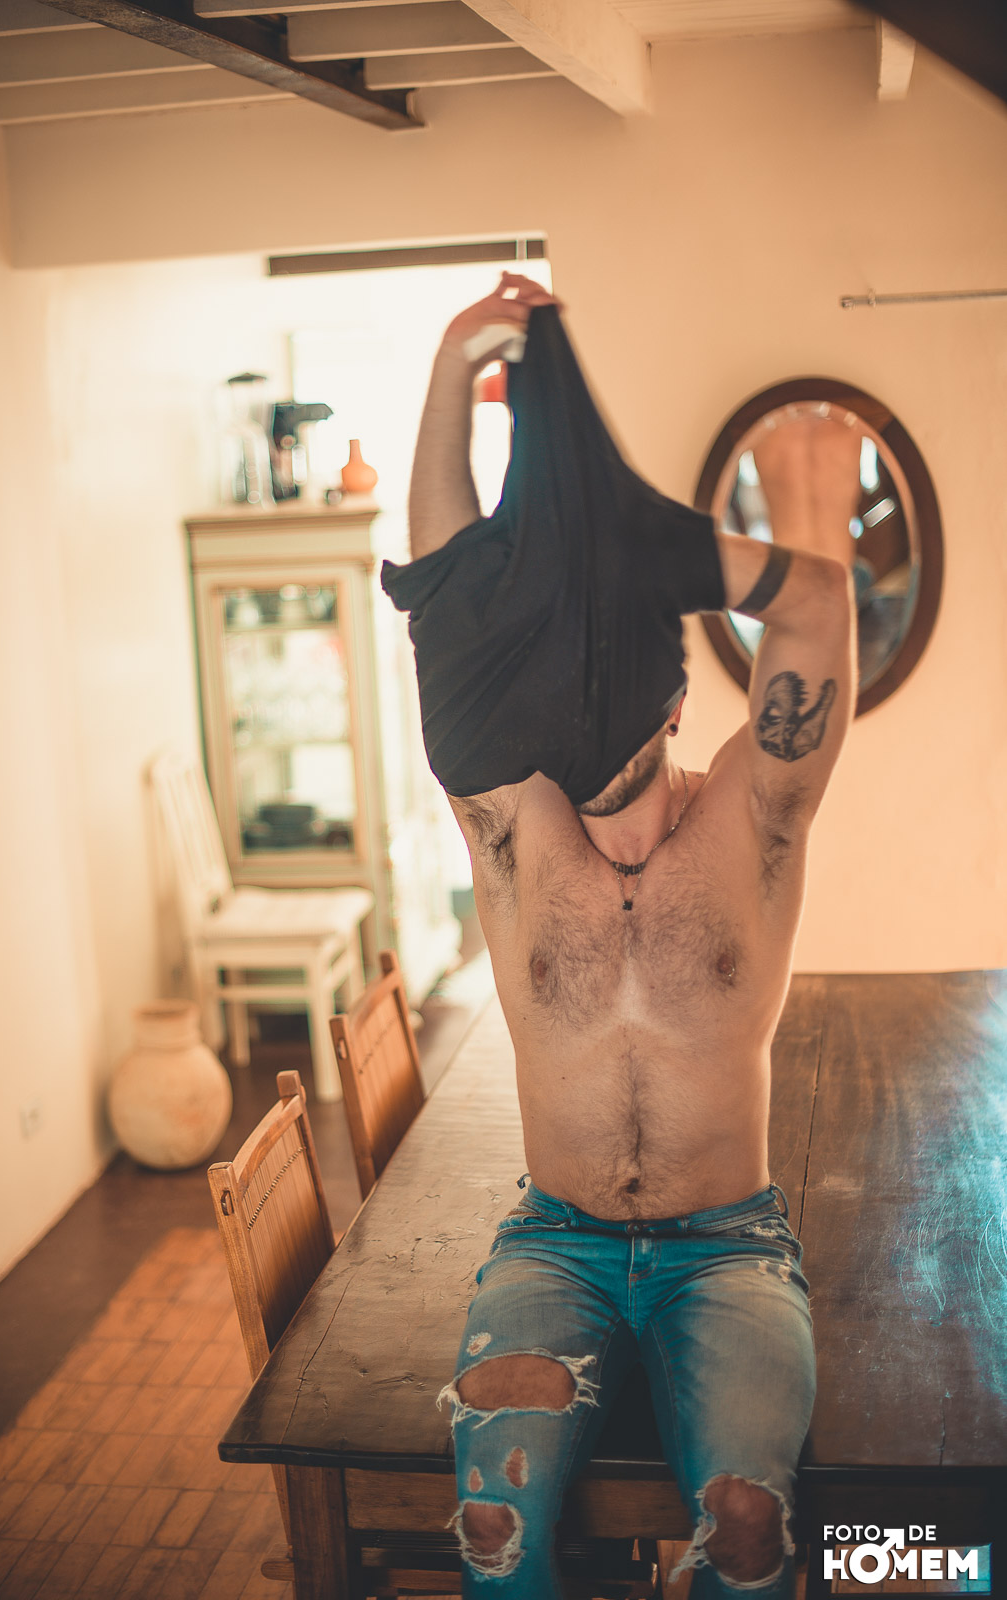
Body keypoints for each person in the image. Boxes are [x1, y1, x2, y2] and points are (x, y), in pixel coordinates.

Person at [390, 275, 860, 1599]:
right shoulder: (516, 827)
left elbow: (818, 603)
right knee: (496, 1538)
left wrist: (672, 556)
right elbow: (450, 605)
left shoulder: (757, 816)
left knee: (750, 1537)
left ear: (668, 709)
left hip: (729, 1245)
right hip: (555, 1242)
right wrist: (452, 366)